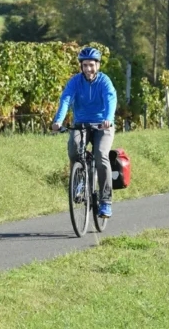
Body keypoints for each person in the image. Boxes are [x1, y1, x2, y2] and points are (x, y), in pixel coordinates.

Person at [51, 47, 117, 217]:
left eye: (92, 65)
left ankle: (105, 201)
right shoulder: (75, 81)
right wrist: (58, 120)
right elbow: (66, 99)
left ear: (98, 65)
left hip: (103, 125)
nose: (88, 69)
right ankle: (79, 186)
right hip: (81, 123)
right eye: (85, 65)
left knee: (101, 155)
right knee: (74, 151)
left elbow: (111, 99)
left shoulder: (104, 81)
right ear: (81, 66)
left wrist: (108, 118)